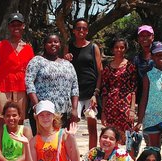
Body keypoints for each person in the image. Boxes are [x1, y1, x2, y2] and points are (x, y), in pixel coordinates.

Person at [10, 100, 79, 161]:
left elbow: (75, 160)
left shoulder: (63, 135)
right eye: (41, 115)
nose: (45, 118)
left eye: (48, 114)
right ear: (37, 118)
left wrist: (72, 137)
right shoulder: (34, 140)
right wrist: (26, 145)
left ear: (53, 116)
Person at [25, 33, 79, 132]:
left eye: (56, 42)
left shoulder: (68, 65)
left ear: (60, 44)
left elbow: (75, 88)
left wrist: (74, 109)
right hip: (43, 113)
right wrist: (37, 106)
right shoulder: (37, 61)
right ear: (45, 45)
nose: (53, 44)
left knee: (60, 143)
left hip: (63, 113)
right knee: (42, 143)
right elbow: (29, 83)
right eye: (49, 42)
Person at [0, 13, 34, 127]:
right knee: (2, 121)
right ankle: (0, 145)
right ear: (9, 27)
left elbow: (32, 71)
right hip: (2, 87)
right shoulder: (1, 45)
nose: (16, 28)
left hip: (20, 88)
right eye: (13, 25)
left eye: (18, 25)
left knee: (19, 122)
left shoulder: (28, 48)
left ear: (23, 26)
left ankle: (16, 144)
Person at [65, 18, 102, 149]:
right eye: (79, 28)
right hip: (74, 93)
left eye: (84, 28)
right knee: (71, 127)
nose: (81, 30)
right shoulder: (68, 47)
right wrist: (65, 59)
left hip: (90, 92)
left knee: (92, 127)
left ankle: (91, 157)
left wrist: (96, 93)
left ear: (87, 31)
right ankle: (70, 158)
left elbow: (100, 71)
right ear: (74, 31)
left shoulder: (93, 47)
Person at [135, 42, 162, 149]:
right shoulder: (148, 75)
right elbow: (144, 98)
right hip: (151, 117)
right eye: (157, 54)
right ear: (152, 57)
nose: (161, 57)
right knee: (152, 151)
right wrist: (140, 121)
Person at [101, 38, 137, 147]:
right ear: (112, 49)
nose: (119, 49)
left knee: (127, 137)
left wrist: (132, 109)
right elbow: (105, 91)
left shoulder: (130, 67)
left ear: (125, 49)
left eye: (122, 47)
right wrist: (103, 112)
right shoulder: (107, 68)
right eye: (116, 47)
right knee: (111, 137)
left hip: (125, 107)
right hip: (110, 108)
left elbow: (133, 89)